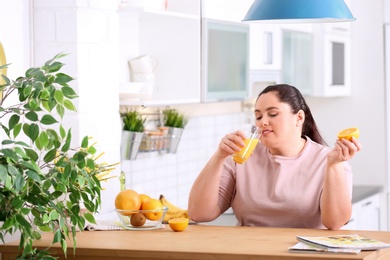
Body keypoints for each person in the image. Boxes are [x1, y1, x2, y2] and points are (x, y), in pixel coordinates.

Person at [188, 84, 362, 230]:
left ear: (299, 117)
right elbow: (199, 213)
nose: (263, 121)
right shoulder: (241, 157)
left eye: (272, 114)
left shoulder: (328, 161)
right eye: (258, 116)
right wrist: (219, 156)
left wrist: (334, 166)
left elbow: (335, 223)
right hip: (249, 253)